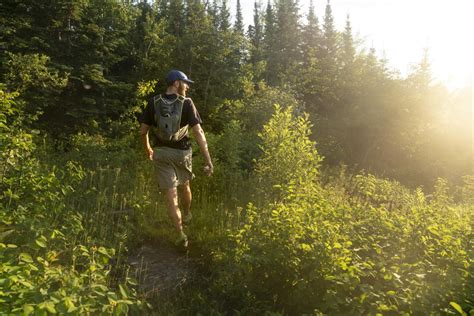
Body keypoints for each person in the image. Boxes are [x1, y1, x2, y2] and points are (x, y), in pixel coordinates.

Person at [139, 70, 213, 248]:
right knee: (185, 185)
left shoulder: (153, 102)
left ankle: (180, 234)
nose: (187, 86)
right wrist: (208, 160)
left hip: (161, 153)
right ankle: (187, 213)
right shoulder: (187, 103)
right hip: (182, 154)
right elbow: (198, 132)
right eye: (185, 82)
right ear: (176, 83)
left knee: (171, 196)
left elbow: (143, 131)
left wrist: (147, 148)